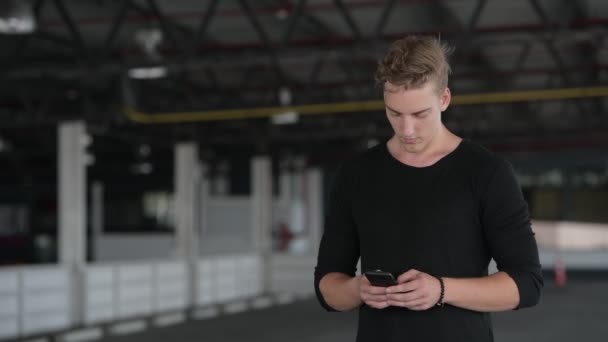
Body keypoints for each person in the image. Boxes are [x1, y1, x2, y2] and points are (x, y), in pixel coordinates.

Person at [313, 35, 543, 342]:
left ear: (444, 99)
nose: (407, 130)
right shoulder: (356, 175)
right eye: (394, 113)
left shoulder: (487, 173)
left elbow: (527, 284)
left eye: (420, 114)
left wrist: (442, 290)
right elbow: (327, 286)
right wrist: (357, 289)